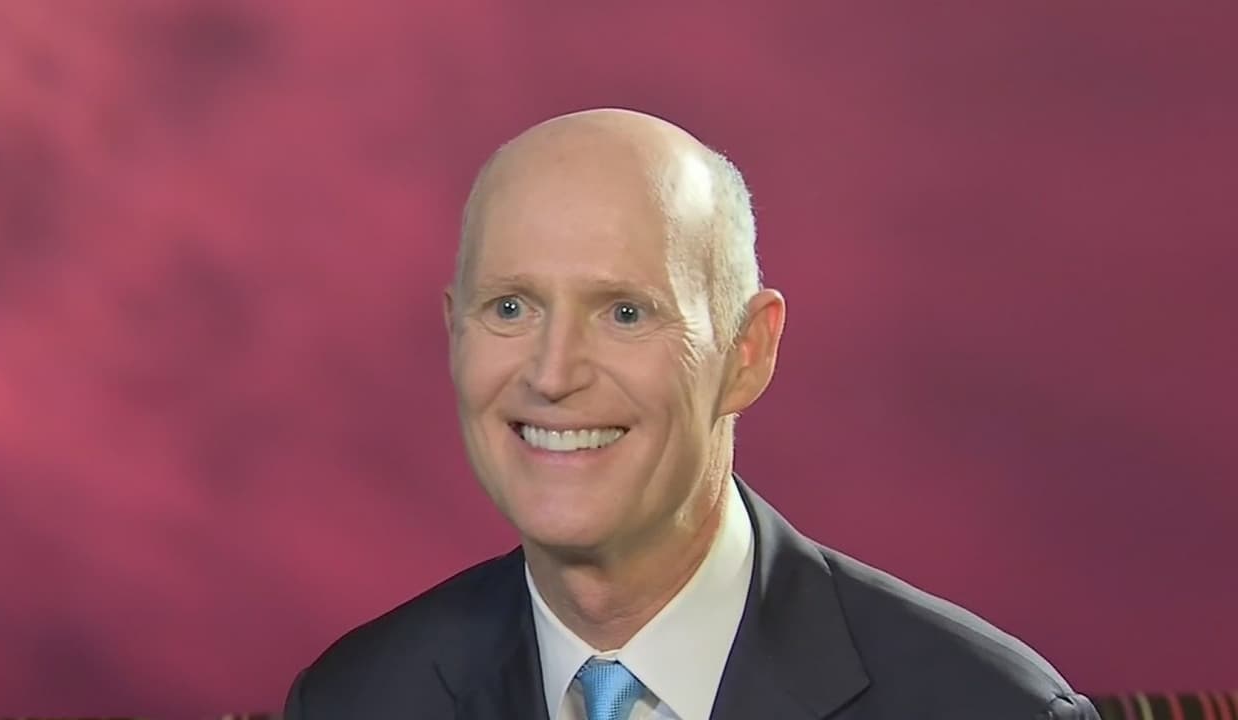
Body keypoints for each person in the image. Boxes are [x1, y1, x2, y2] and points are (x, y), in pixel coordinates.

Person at [283, 108, 1099, 720]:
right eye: (510, 308)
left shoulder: (987, 706)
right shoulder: (356, 700)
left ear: (748, 351)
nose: (552, 374)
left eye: (625, 313)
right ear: (453, 331)